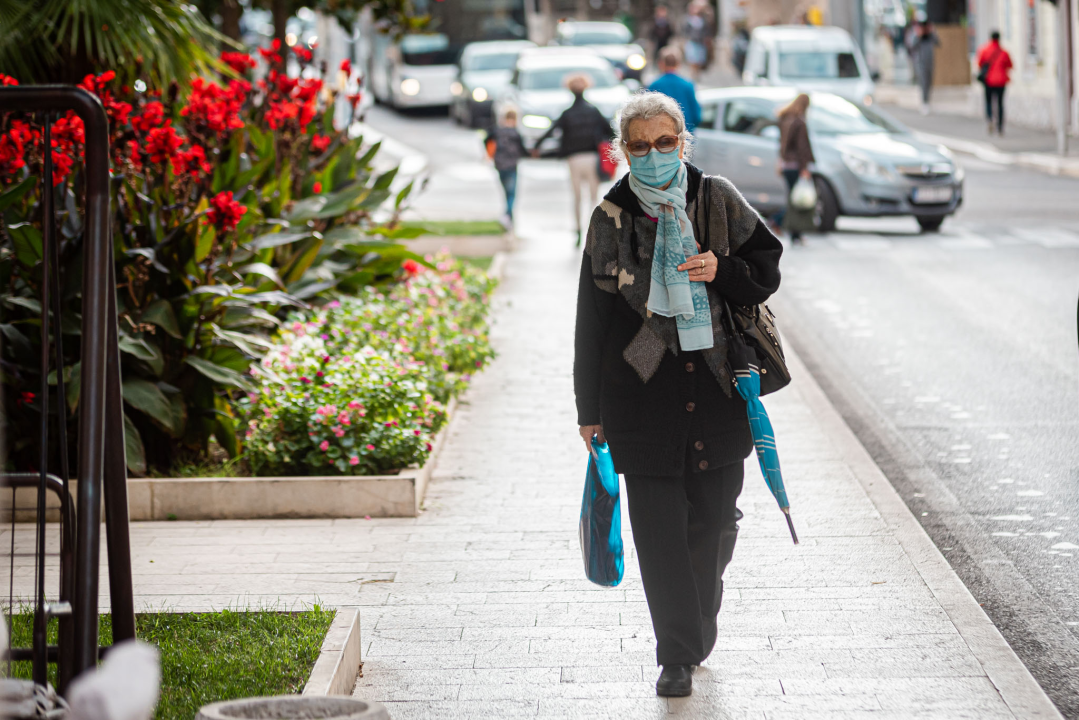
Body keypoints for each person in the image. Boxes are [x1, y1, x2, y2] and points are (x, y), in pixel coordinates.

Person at [574, 91, 782, 698]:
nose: (654, 154)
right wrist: (589, 411)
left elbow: (766, 270)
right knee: (660, 532)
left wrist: (723, 268)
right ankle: (676, 654)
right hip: (639, 397)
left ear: (682, 143)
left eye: (666, 142)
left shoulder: (716, 198)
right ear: (623, 151)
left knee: (715, 525)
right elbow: (591, 320)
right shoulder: (610, 217)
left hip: (717, 391)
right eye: (639, 145)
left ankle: (696, 622)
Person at [532, 73, 613, 245]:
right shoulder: (593, 111)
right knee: (594, 196)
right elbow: (610, 131)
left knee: (577, 197)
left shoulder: (567, 113)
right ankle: (595, 230)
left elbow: (551, 130)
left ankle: (577, 230)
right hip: (592, 157)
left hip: (573, 159)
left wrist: (536, 146)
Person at [776, 93, 815, 244]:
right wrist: (804, 167)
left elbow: (782, 145)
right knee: (796, 201)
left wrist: (780, 162)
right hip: (796, 166)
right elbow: (802, 147)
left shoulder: (785, 119)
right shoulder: (799, 123)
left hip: (786, 164)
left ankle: (795, 234)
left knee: (794, 199)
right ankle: (777, 221)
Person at [485, 107, 526, 226]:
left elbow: (487, 139)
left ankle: (509, 217)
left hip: (499, 164)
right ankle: (507, 215)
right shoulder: (515, 133)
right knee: (511, 192)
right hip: (511, 166)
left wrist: (490, 153)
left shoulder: (497, 131)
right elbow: (523, 149)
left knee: (506, 191)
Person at [648, 47, 701, 132]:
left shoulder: (654, 85)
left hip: (660, 136)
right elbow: (696, 115)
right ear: (678, 64)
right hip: (684, 135)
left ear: (661, 63)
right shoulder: (688, 85)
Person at [976, 31, 1013, 135]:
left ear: (990, 38)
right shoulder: (1004, 52)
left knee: (988, 102)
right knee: (1000, 103)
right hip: (1001, 81)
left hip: (989, 81)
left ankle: (990, 118)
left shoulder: (984, 50)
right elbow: (1010, 65)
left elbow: (979, 64)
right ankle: (1000, 126)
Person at [910, 20, 939, 115]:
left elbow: (938, 43)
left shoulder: (930, 36)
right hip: (921, 63)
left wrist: (932, 31)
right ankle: (924, 102)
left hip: (930, 63)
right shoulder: (918, 36)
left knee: (929, 83)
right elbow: (912, 46)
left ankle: (927, 102)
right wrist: (919, 35)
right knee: (923, 83)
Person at [681, 3, 709, 80]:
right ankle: (693, 73)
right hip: (692, 41)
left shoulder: (704, 19)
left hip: (700, 42)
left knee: (699, 60)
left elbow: (706, 30)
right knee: (692, 59)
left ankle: (697, 73)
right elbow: (685, 31)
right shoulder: (688, 19)